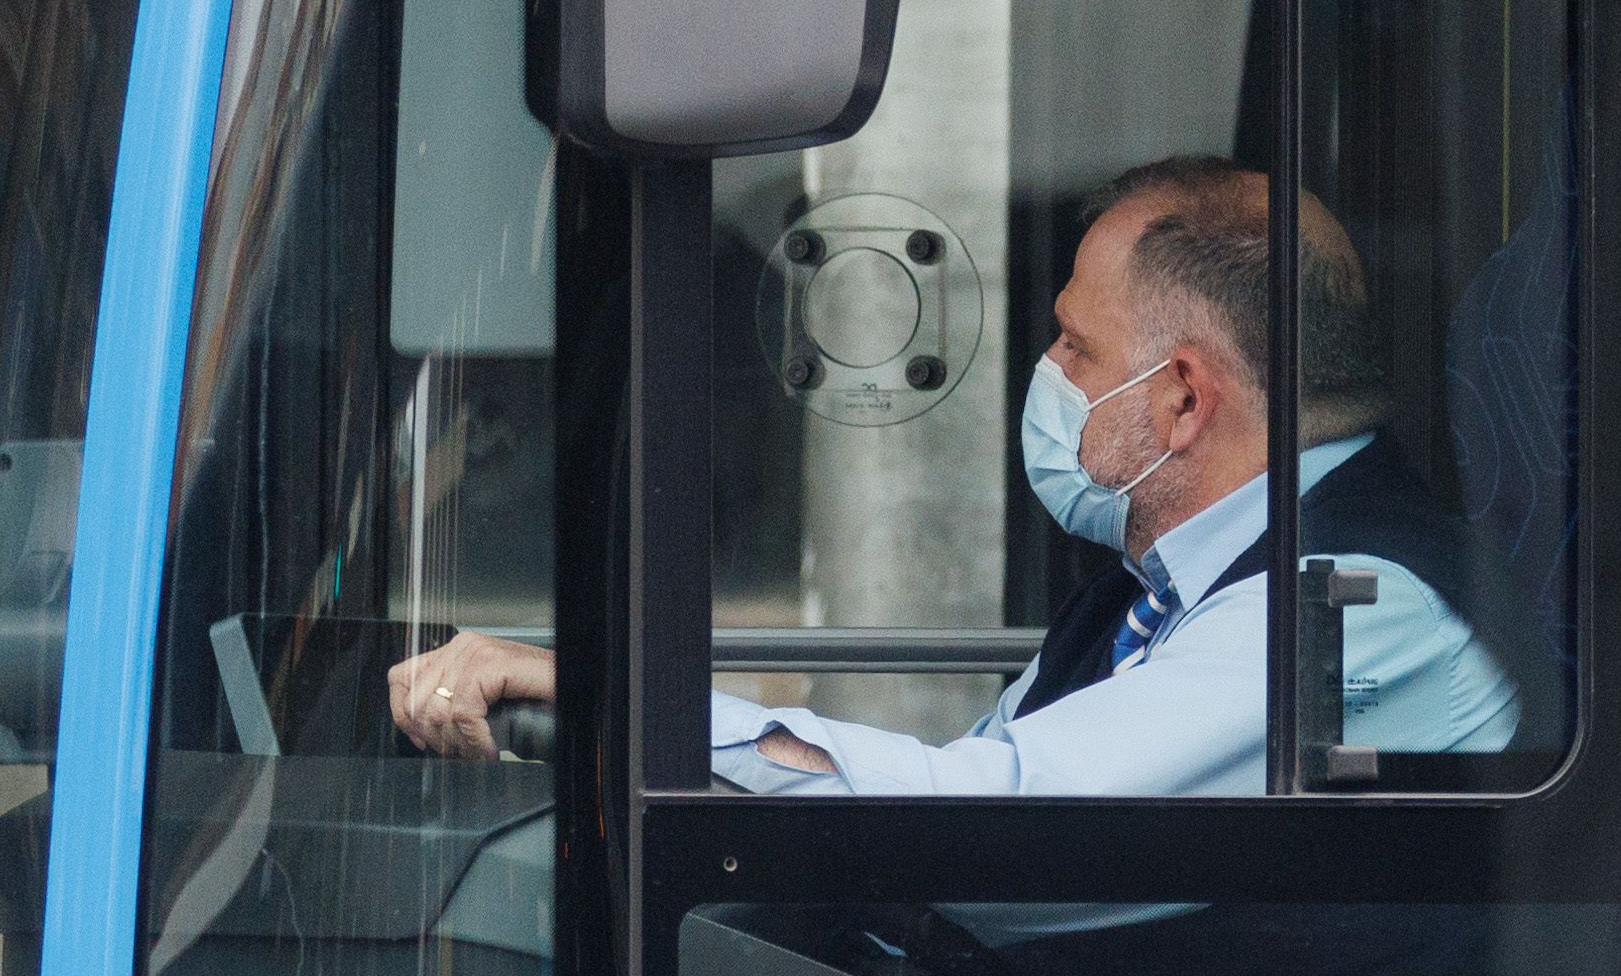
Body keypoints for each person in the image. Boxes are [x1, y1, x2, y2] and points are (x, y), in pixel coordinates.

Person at [384, 157, 1522, 785]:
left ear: (1182, 398)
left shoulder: (1350, 608)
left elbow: (995, 812)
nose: (1045, 368)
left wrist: (583, 691)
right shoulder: (1150, 590)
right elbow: (970, 775)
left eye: (1075, 345)